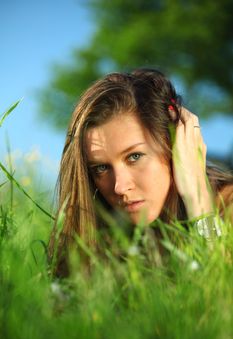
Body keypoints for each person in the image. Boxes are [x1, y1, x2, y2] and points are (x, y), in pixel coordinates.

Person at [48, 68, 233, 277]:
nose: (119, 186)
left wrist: (198, 199)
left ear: (174, 144)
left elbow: (222, 292)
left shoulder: (228, 207)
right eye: (101, 168)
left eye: (134, 157)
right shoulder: (108, 238)